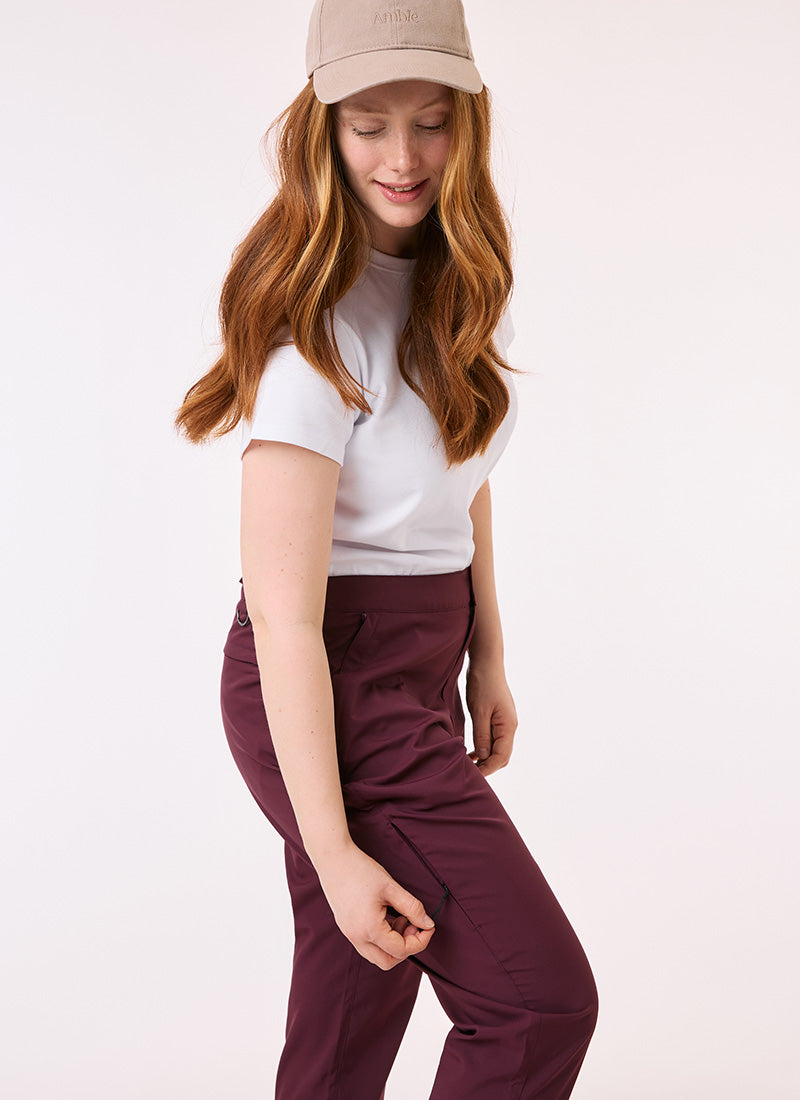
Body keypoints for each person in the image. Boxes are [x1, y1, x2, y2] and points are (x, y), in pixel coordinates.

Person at [174, 1, 598, 1095]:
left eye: (430, 122)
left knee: (356, 994)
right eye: (369, 124)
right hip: (325, 670)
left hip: (419, 658)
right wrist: (330, 848)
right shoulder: (313, 334)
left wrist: (486, 651)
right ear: (323, 128)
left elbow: (464, 472)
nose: (402, 158)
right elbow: (283, 618)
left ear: (469, 120)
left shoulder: (463, 285)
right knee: (537, 1001)